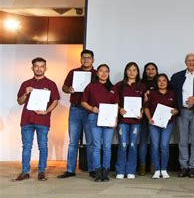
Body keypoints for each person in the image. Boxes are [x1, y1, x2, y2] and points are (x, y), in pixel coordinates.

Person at [14, 57, 60, 181]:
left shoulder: (51, 84)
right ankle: (25, 171)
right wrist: (25, 93)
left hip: (43, 120)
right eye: (36, 66)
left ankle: (41, 171)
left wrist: (47, 111)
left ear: (45, 68)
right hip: (27, 119)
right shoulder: (25, 83)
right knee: (26, 146)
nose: (39, 68)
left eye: (42, 66)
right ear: (32, 68)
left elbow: (55, 100)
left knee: (43, 146)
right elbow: (19, 101)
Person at [58, 49, 96, 179]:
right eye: (84, 58)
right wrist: (69, 89)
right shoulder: (73, 72)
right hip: (75, 109)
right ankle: (70, 170)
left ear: (93, 60)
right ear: (81, 59)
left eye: (89, 58)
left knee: (91, 141)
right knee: (73, 141)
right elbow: (64, 87)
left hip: (90, 111)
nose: (86, 60)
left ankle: (92, 169)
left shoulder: (96, 74)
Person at [170, 53, 194, 178]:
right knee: (182, 140)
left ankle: (193, 167)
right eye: (189, 60)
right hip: (182, 112)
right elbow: (171, 94)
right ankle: (184, 167)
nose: (191, 62)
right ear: (185, 62)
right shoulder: (177, 76)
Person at [81, 64, 119, 182]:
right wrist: (92, 108)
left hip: (109, 119)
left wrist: (115, 120)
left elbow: (116, 105)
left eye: (106, 71)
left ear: (109, 73)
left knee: (107, 146)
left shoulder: (113, 88)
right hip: (94, 117)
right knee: (96, 146)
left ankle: (105, 171)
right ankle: (97, 171)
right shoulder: (91, 86)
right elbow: (83, 102)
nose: (103, 73)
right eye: (101, 71)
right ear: (97, 73)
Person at [115, 62, 146, 179]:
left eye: (134, 70)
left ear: (137, 72)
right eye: (129, 70)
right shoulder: (119, 86)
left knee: (133, 145)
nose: (131, 72)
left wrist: (142, 111)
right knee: (123, 144)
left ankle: (131, 170)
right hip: (123, 120)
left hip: (136, 121)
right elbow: (114, 101)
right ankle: (120, 170)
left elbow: (146, 102)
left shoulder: (142, 86)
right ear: (125, 71)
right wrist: (119, 109)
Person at [144, 74, 178, 179]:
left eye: (164, 80)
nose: (162, 83)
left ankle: (164, 169)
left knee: (164, 146)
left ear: (167, 82)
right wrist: (149, 118)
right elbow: (146, 108)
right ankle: (157, 170)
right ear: (156, 82)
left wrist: (174, 111)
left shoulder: (172, 93)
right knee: (155, 146)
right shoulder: (151, 93)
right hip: (154, 124)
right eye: (159, 81)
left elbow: (177, 109)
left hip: (168, 124)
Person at [138, 62, 158, 176]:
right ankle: (142, 166)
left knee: (155, 143)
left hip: (158, 117)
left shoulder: (161, 81)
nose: (150, 71)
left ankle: (154, 167)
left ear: (156, 70)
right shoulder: (140, 84)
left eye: (153, 69)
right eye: (148, 69)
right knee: (143, 142)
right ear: (145, 71)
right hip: (144, 117)